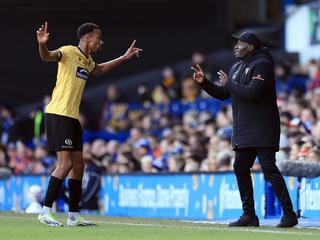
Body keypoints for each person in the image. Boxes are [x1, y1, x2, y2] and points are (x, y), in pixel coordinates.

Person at [36, 22, 142, 227]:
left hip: (72, 117)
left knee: (79, 165)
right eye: (98, 37)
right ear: (86, 37)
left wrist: (123, 57)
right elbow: (47, 56)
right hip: (59, 113)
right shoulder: (68, 51)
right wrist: (42, 45)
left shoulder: (87, 60)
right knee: (65, 164)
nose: (100, 41)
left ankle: (73, 216)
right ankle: (45, 212)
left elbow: (99, 70)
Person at [191, 32, 298, 228]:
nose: (236, 46)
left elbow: (253, 93)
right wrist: (204, 83)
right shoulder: (236, 67)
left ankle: (289, 214)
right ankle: (249, 215)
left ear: (251, 46)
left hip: (263, 126)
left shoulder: (263, 65)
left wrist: (230, 83)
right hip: (244, 127)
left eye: (240, 43)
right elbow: (224, 94)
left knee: (269, 169)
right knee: (240, 167)